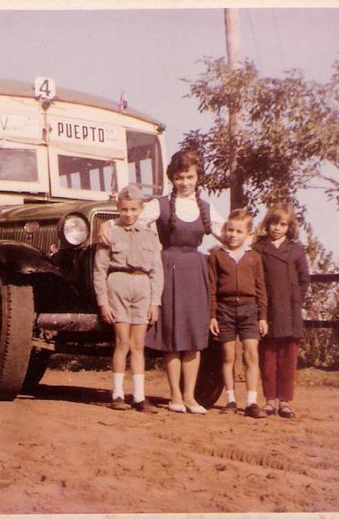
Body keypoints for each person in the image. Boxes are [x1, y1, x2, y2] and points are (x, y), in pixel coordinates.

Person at [100, 149, 225, 414]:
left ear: (197, 177)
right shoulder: (161, 204)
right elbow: (131, 219)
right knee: (173, 334)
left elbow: (229, 234)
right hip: (167, 268)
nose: (185, 182)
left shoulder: (206, 208)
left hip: (195, 272)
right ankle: (175, 397)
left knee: (193, 335)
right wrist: (106, 226)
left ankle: (191, 397)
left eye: (189, 177)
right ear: (172, 178)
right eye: (179, 177)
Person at [93, 184, 163, 412]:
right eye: (124, 209)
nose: (129, 214)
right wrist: (103, 303)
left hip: (142, 290)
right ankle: (118, 394)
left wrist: (155, 302)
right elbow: (100, 270)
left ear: (141, 209)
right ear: (118, 209)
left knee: (138, 345)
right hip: (118, 287)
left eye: (133, 209)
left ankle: (140, 397)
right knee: (122, 343)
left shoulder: (150, 236)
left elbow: (156, 271)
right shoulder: (110, 233)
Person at [208, 209, 269, 419]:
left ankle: (251, 402)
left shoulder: (254, 258)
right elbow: (212, 288)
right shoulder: (217, 256)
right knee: (228, 356)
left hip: (249, 310)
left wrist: (262, 316)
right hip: (224, 310)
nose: (233, 234)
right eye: (230, 230)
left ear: (248, 235)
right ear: (225, 231)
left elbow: (261, 288)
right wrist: (212, 315)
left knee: (251, 354)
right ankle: (231, 400)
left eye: (239, 231)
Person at [252, 202, 310, 419]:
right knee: (267, 357)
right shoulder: (259, 249)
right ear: (267, 225)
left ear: (289, 227)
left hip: (290, 311)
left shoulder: (296, 249)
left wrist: (296, 300)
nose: (277, 228)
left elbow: (304, 279)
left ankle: (285, 402)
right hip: (267, 311)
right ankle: (269, 401)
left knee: (288, 358)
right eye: (273, 223)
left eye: (282, 224)